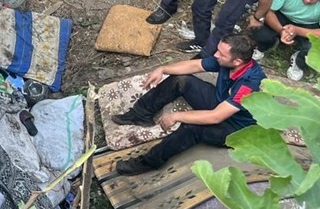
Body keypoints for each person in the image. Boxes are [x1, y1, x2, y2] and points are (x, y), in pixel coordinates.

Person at [111, 34, 262, 175]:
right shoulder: (227, 61)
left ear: (237, 61)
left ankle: (148, 162)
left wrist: (177, 116)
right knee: (181, 79)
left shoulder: (250, 84)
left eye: (221, 54)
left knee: (192, 128)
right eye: (217, 50)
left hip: (236, 128)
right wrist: (162, 69)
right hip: (221, 103)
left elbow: (216, 117)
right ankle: (139, 115)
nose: (216, 55)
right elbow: (194, 66)